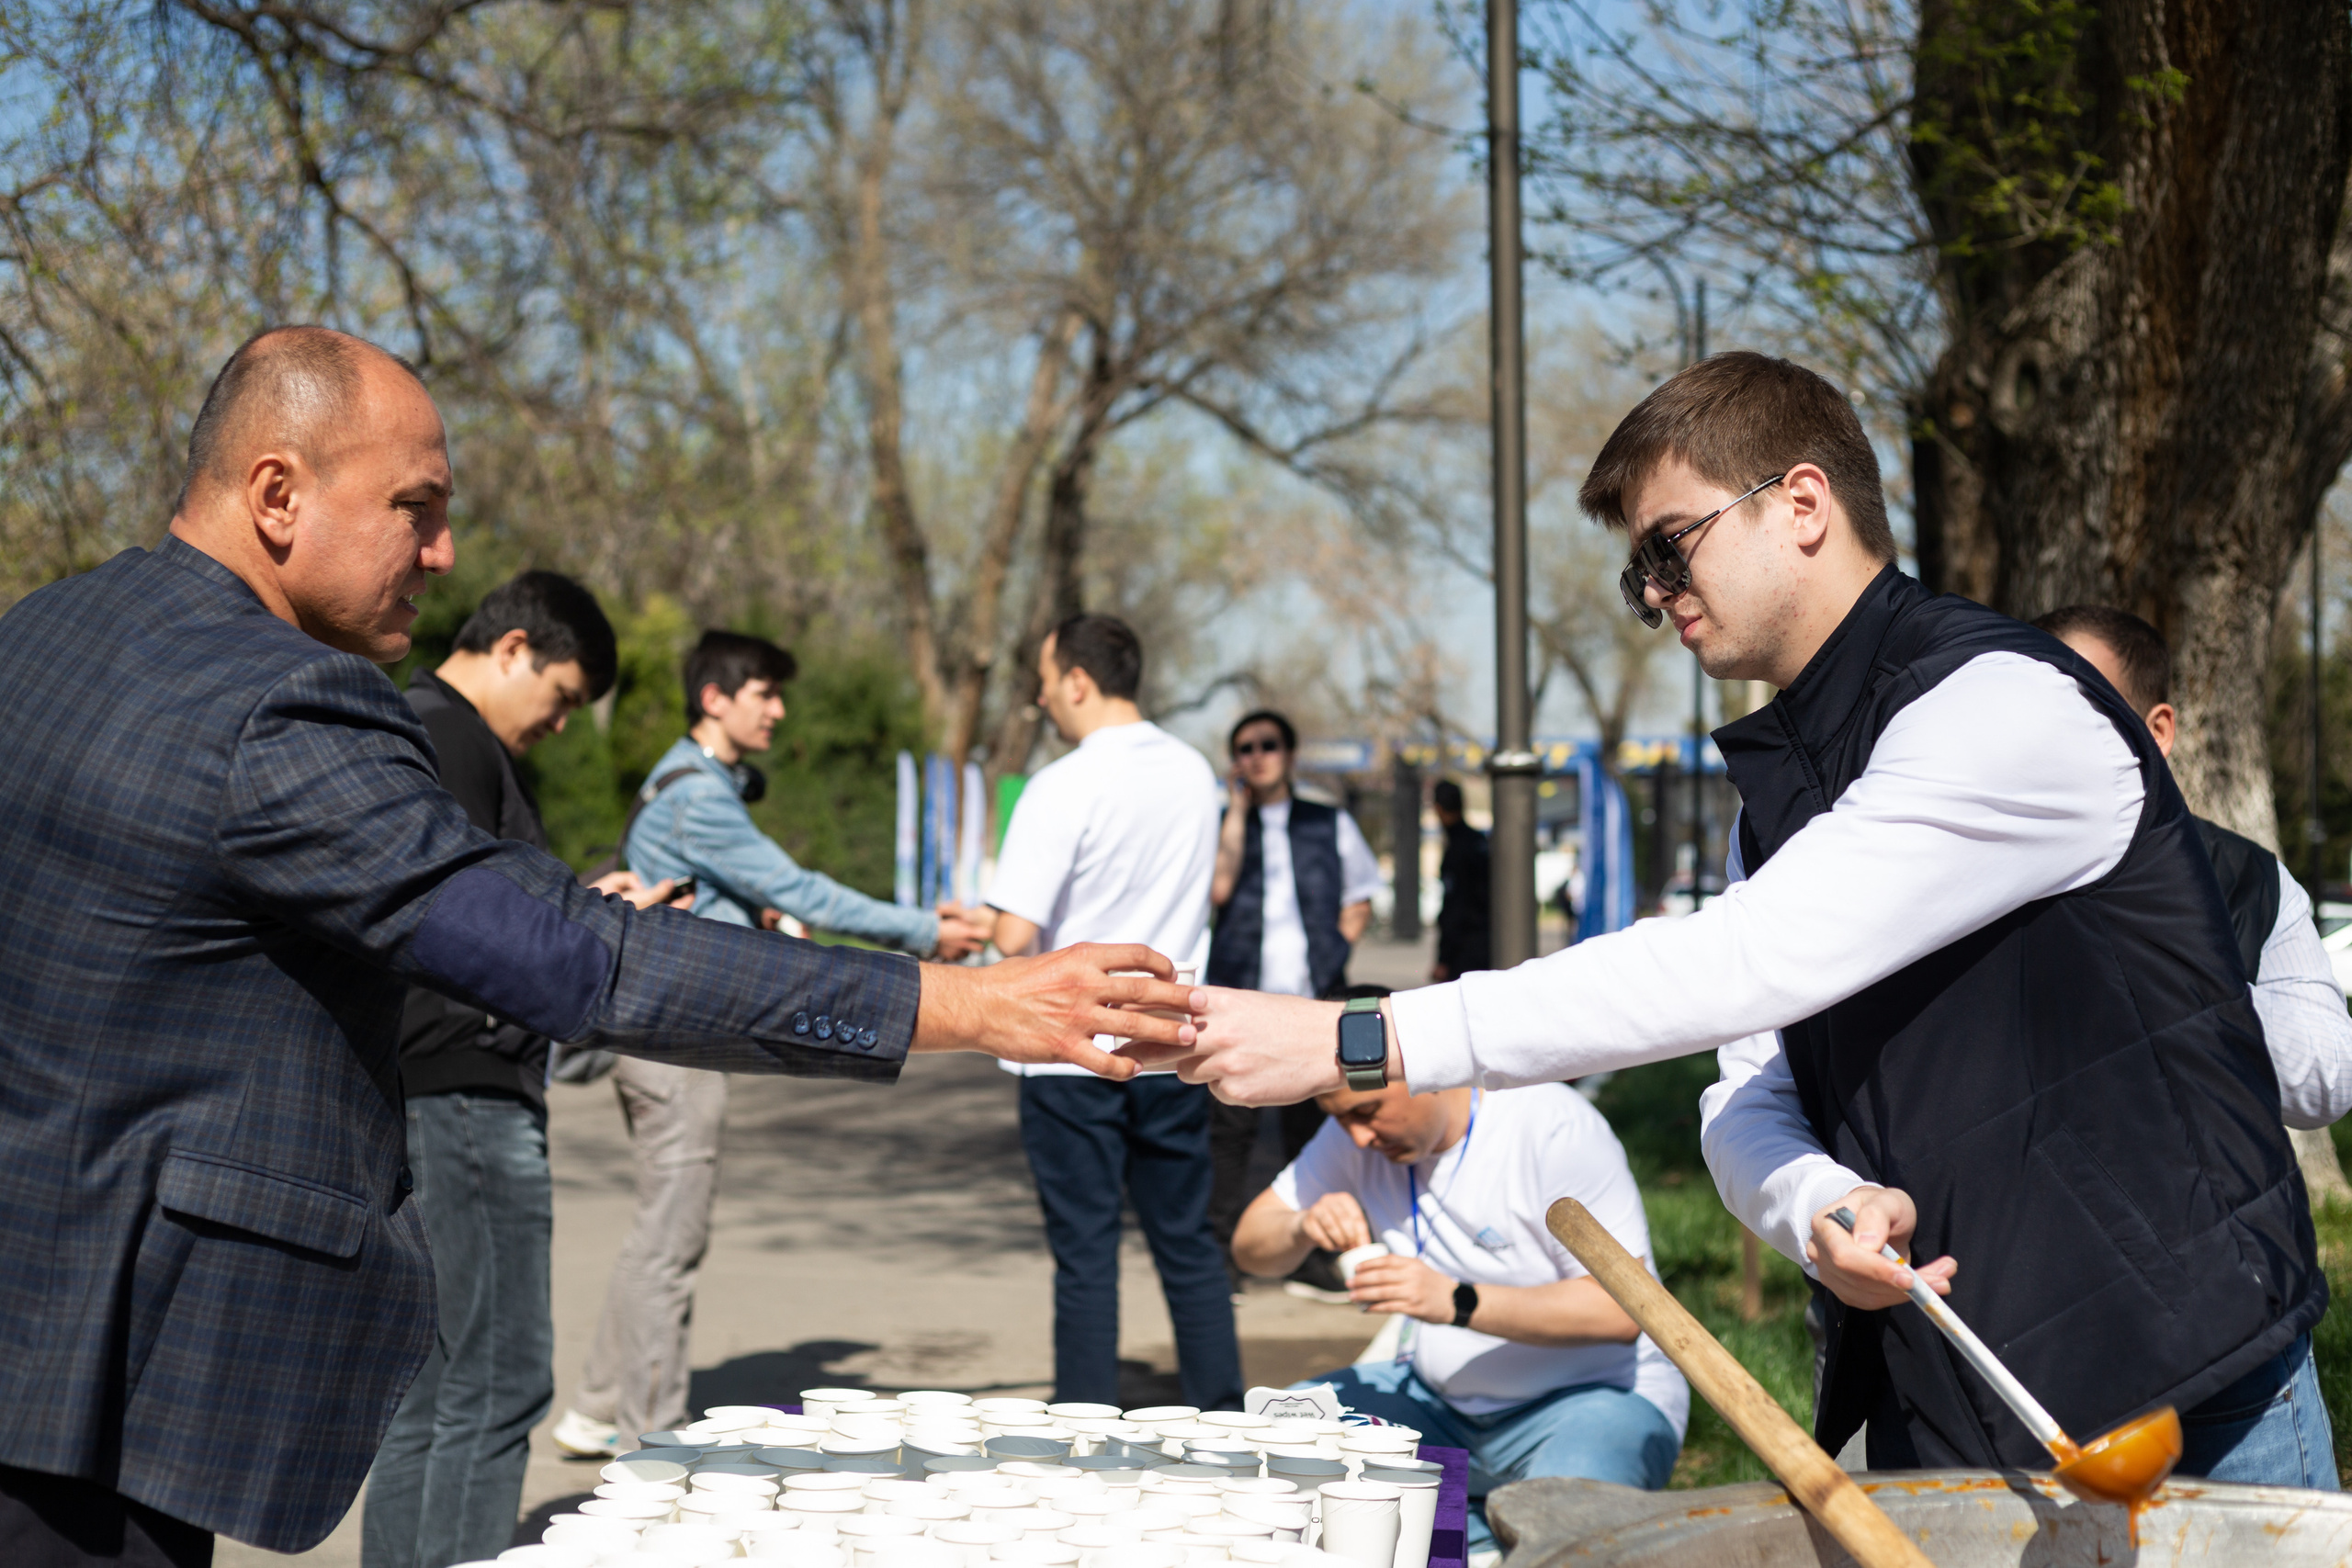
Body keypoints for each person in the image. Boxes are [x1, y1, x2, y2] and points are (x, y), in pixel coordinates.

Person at [0, 324, 1198, 1565]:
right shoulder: (283, 702)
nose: (444, 551)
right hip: (96, 1385)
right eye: (417, 507)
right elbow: (587, 960)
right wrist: (969, 1002)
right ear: (277, 493)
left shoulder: (45, 631)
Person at [1159, 350, 2330, 1487]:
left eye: (1670, 549)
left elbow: (1741, 964)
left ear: (1802, 503)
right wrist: (1814, 1203)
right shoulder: (1781, 789)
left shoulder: (2006, 705)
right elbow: (1747, 1091)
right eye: (1638, 576)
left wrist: (1357, 1036)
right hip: (1964, 1402)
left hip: (2188, 1388)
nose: (1657, 595)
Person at [551, 630, 986, 1459]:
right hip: (670, 1039)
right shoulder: (698, 797)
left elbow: (758, 901)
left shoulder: (687, 779)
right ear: (715, 698)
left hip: (657, 1031)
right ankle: (650, 1441)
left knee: (658, 1224)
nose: (779, 710)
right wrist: (925, 927)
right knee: (671, 1237)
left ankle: (597, 1404)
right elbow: (798, 888)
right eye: (764, 693)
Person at [365, 571, 666, 1568]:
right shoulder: (449, 738)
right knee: (494, 1384)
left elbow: (460, 913)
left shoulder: (426, 732)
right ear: (512, 648)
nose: (566, 724)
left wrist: (575, 906)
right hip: (465, 1097)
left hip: (429, 1089)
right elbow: (450, 939)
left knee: (433, 1388)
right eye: (565, 697)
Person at [966, 614, 1242, 1411]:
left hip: (1067, 1041)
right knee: (1187, 1245)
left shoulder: (1063, 784)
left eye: (1047, 682)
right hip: (1169, 1036)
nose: (1044, 699)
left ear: (1079, 681)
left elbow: (1014, 932)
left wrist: (974, 916)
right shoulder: (1195, 773)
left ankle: (1083, 1435)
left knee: (1085, 1255)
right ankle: (1222, 1417)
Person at [1233, 1077, 1687, 1561]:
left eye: (1367, 1112)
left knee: (1564, 1539)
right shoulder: (1353, 1132)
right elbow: (1250, 1247)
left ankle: (1469, 1527)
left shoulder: (1551, 1123)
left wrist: (1457, 1301)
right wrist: (1301, 1227)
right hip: (1438, 1401)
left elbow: (1622, 1312)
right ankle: (1469, 1527)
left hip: (1595, 1397)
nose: (1359, 1137)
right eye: (1340, 1117)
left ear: (1428, 1074)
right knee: (1276, 1434)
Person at [2034, 604, 2352, 1129]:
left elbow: (2327, 1078)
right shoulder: (1956, 857)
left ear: (2157, 732)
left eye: (2080, 709)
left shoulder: (2249, 881)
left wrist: (2172, 980)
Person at [1204, 710, 1383, 1303]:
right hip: (1239, 999)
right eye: (1245, 748)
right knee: (1230, 1132)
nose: (1257, 756)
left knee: (1312, 1131)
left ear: (1289, 752)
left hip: (1314, 1001)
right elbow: (1218, 890)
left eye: (1268, 745)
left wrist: (1337, 949)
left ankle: (1308, 1258)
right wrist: (1234, 810)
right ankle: (1224, 1256)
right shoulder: (1226, 824)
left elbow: (1360, 894)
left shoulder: (1327, 822)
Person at [1430, 779, 1491, 981]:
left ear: (1438, 808)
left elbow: (1455, 907)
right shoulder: (1479, 842)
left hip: (1465, 949)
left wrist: (1443, 958)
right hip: (1487, 941)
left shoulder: (1458, 848)